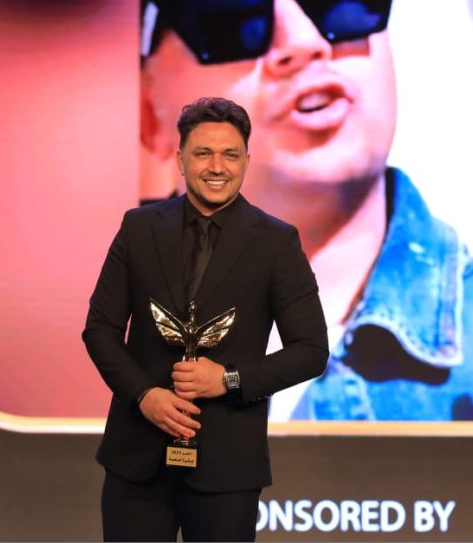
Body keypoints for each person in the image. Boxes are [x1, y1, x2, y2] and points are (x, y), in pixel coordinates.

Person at [138, 0, 473, 421]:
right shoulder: (110, 332)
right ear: (147, 108)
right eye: (233, 14)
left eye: (337, 2)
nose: (304, 42)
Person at [83, 97, 328, 541]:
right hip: (136, 459)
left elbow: (311, 351)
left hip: (227, 466)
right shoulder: (138, 228)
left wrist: (229, 379)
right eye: (203, 153)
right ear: (180, 160)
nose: (217, 167)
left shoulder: (276, 242)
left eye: (230, 154)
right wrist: (144, 395)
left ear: (246, 161)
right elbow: (100, 330)